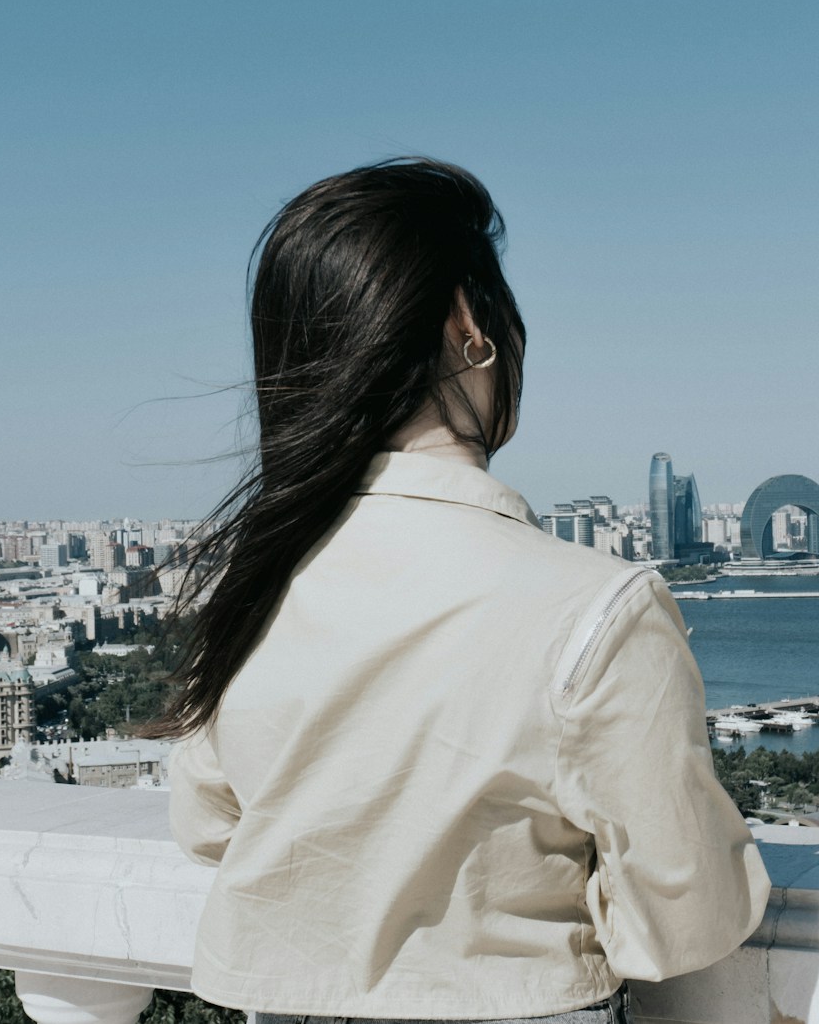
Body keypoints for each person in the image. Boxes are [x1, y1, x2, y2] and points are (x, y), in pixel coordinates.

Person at [151, 158, 770, 1024]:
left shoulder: (253, 583)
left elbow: (209, 824)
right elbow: (684, 911)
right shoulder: (595, 610)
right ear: (468, 324)